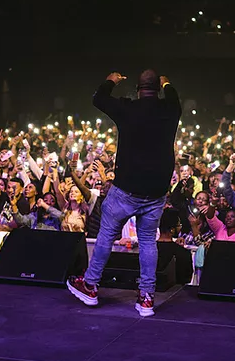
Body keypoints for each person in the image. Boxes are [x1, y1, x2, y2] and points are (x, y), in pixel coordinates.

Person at [67, 70, 181, 317]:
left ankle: (90, 285)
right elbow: (173, 95)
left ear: (138, 90)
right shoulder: (171, 108)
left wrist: (111, 80)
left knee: (107, 234)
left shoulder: (128, 109)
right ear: (158, 89)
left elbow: (98, 99)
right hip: (156, 190)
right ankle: (147, 298)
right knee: (148, 241)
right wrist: (166, 83)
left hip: (127, 187)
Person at [157, 208, 194, 284]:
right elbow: (187, 278)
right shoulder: (183, 253)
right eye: (179, 225)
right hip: (175, 290)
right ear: (172, 229)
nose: (180, 227)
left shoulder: (148, 250)